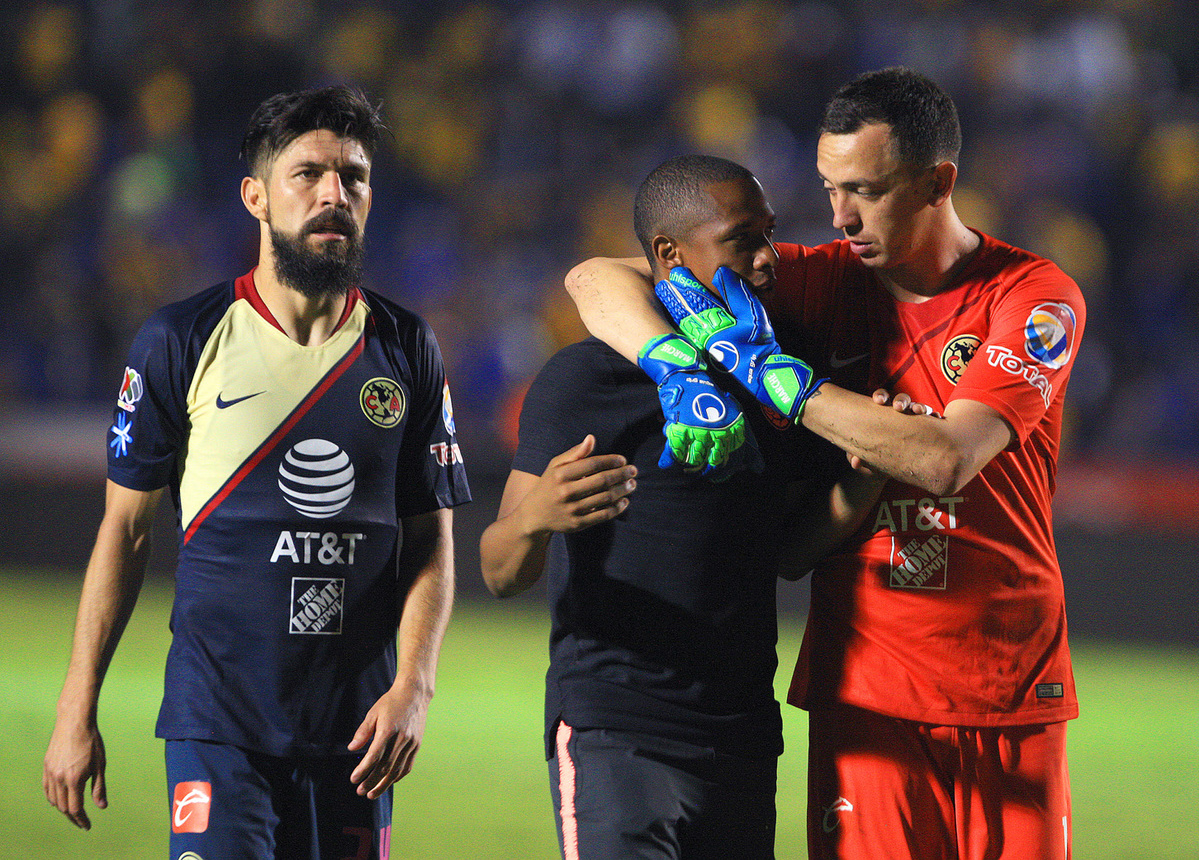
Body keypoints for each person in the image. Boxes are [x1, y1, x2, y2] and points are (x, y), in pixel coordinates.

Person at [565, 67, 1085, 860]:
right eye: (830, 188)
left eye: (866, 191)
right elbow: (596, 278)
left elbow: (946, 459)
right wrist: (674, 363)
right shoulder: (821, 280)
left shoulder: (1032, 295)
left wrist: (779, 378)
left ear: (938, 182)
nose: (840, 216)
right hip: (868, 691)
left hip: (1009, 686)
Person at [43, 85, 470, 860]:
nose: (335, 194)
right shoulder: (182, 338)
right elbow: (124, 530)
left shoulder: (408, 346)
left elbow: (431, 542)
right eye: (308, 174)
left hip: (358, 734)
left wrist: (415, 686)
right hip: (218, 723)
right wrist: (78, 705)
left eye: (354, 176)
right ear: (257, 197)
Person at [481, 154, 890, 860]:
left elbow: (787, 553)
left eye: (768, 234)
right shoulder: (588, 377)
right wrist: (535, 517)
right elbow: (498, 570)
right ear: (670, 253)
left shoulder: (778, 372)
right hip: (617, 726)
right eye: (742, 240)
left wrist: (862, 481)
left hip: (743, 734)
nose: (766, 258)